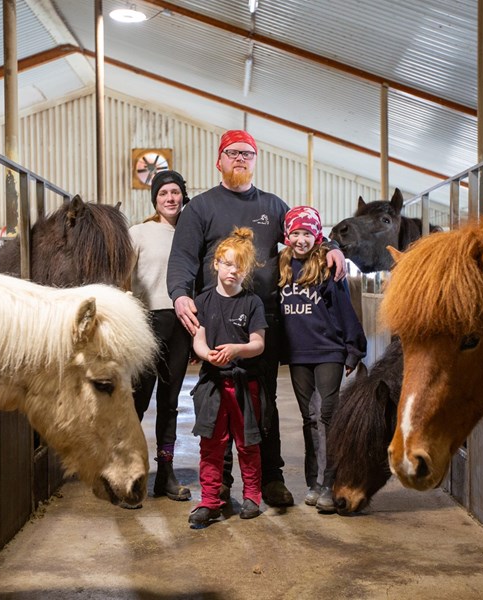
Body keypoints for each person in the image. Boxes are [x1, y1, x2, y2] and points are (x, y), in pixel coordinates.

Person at [167, 129, 347, 507]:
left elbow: (304, 230)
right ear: (219, 160)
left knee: (263, 402)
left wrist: (331, 247)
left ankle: (271, 478)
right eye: (233, 153)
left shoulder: (271, 204)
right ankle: (222, 485)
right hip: (216, 319)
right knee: (219, 402)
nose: (240, 159)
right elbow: (183, 258)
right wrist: (180, 295)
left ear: (255, 161)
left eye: (247, 154)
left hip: (262, 318)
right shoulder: (200, 207)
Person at [278, 206, 366, 513]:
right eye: (295, 233)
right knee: (310, 419)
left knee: (328, 415)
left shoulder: (328, 268)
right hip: (298, 354)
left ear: (316, 236)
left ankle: (331, 482)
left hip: (328, 351)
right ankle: (314, 483)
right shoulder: (282, 267)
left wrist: (353, 349)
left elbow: (344, 309)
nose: (301, 240)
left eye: (306, 234)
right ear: (287, 236)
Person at [188, 228, 267, 528]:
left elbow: (258, 344)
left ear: (246, 270)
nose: (233, 271)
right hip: (213, 384)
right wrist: (208, 355)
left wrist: (237, 349)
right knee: (211, 444)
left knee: (247, 443)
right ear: (217, 264)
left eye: (240, 266)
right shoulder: (204, 300)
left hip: (245, 383)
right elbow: (199, 339)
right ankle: (209, 500)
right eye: (228, 263)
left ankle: (252, 497)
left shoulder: (252, 303)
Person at [129, 170, 193, 501]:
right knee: (136, 401)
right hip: (147, 323)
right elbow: (122, 278)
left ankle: (165, 474)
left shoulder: (192, 232)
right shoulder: (138, 233)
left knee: (170, 404)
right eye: (163, 193)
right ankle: (129, 474)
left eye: (175, 192)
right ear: (155, 199)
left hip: (181, 324)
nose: (170, 198)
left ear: (183, 195)